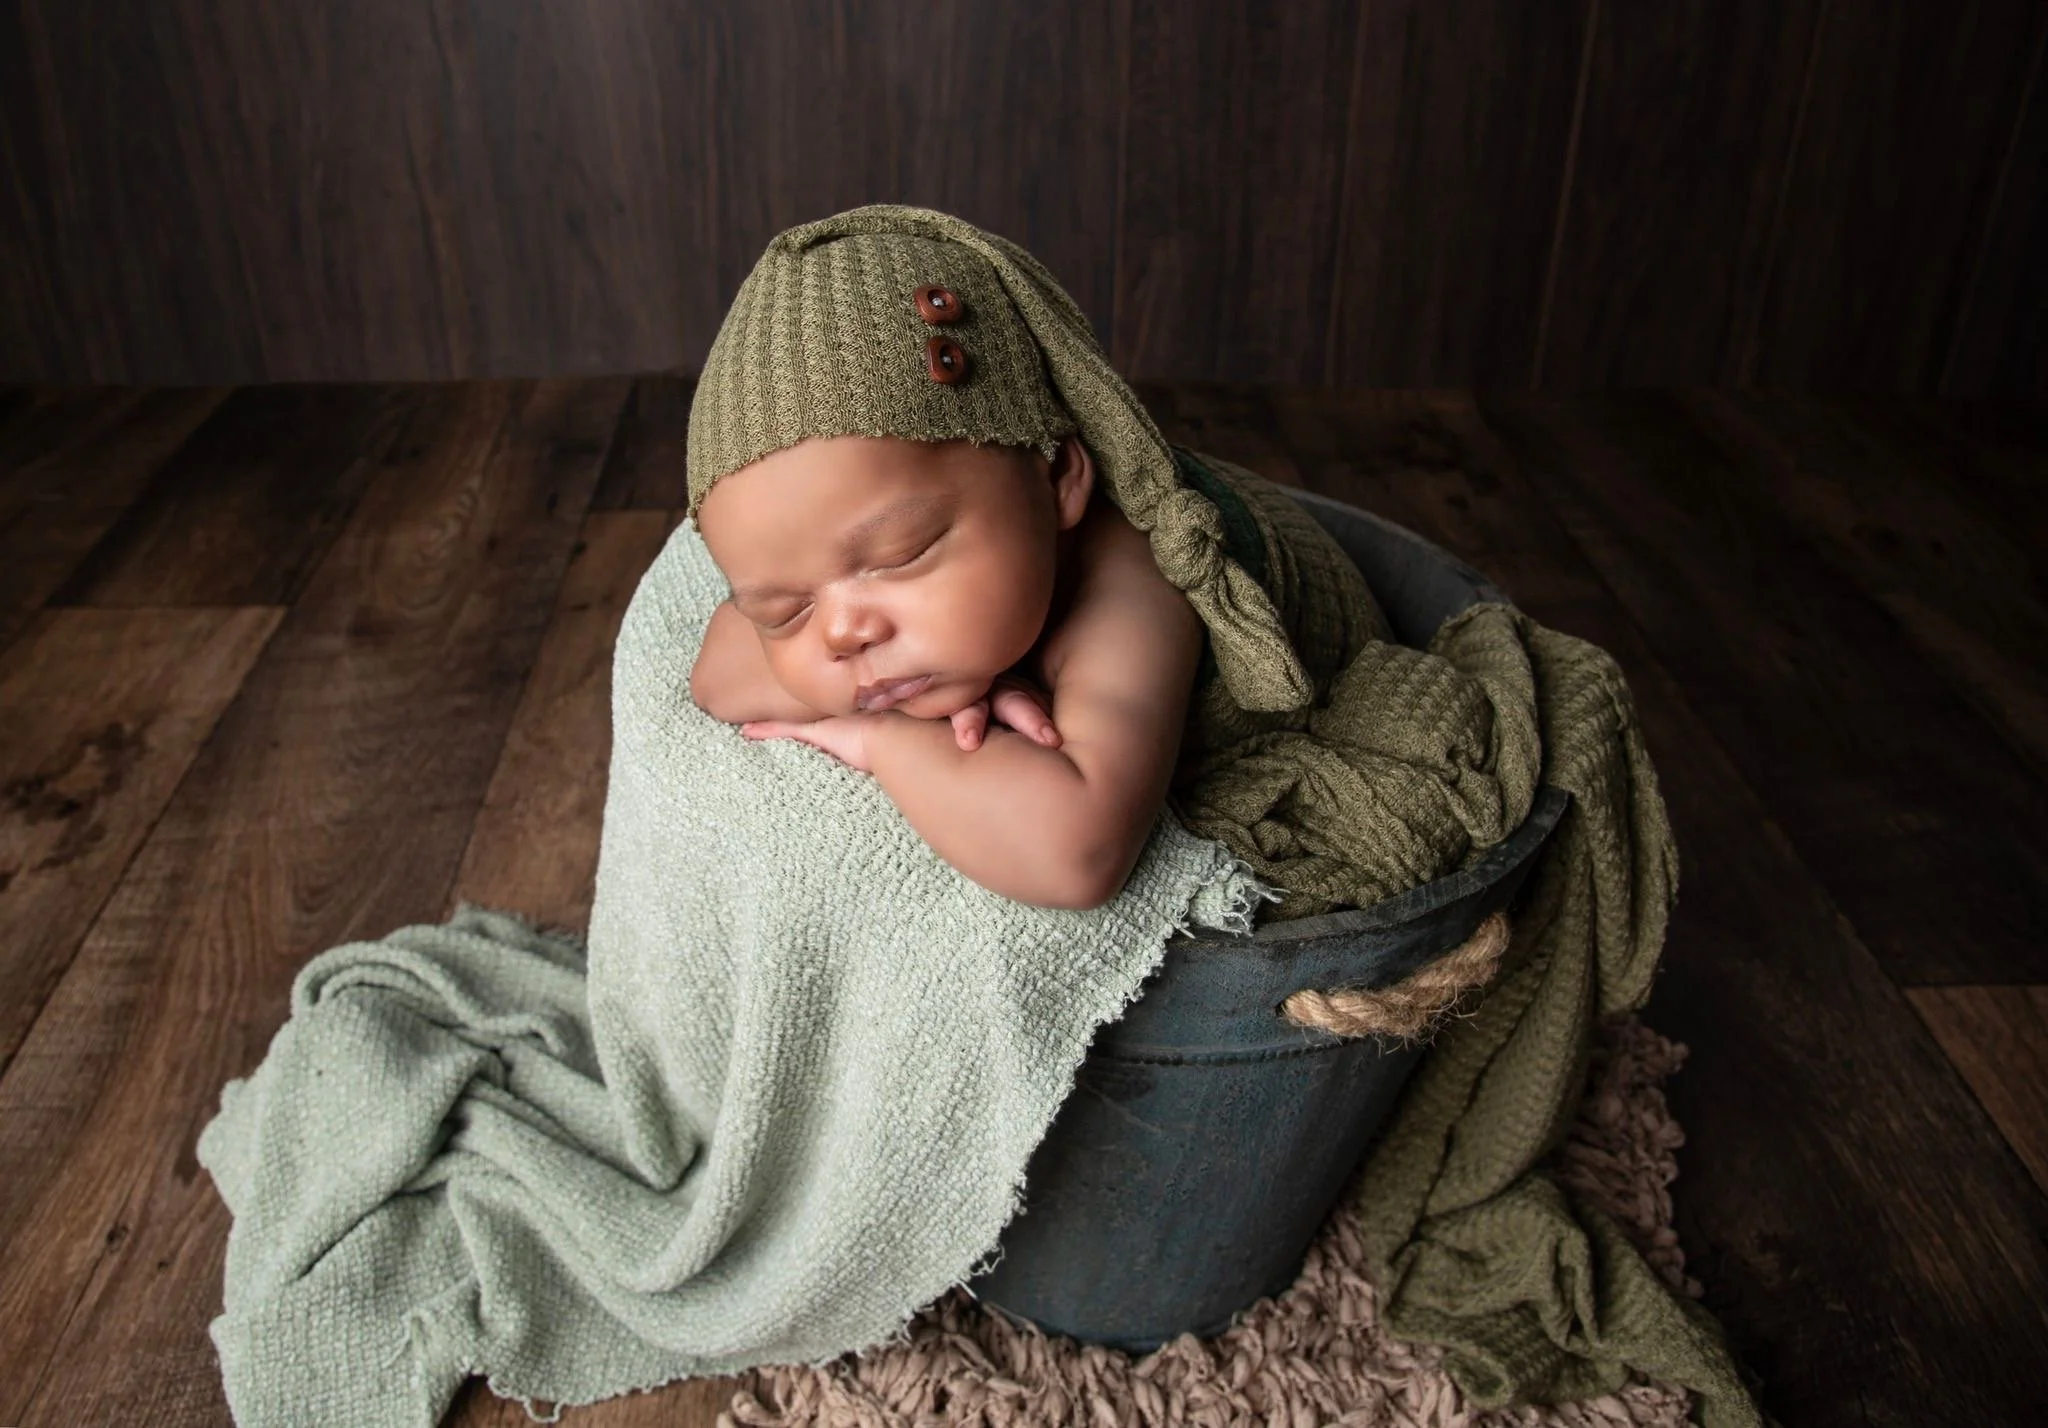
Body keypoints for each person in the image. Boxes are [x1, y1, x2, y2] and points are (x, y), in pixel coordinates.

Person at [682, 203, 1387, 914]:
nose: (842, 633)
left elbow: (1075, 854)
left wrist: (884, 735)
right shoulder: (905, 611)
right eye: (784, 610)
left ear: (1058, 481)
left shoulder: (1136, 581)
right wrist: (978, 679)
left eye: (902, 555)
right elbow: (716, 674)